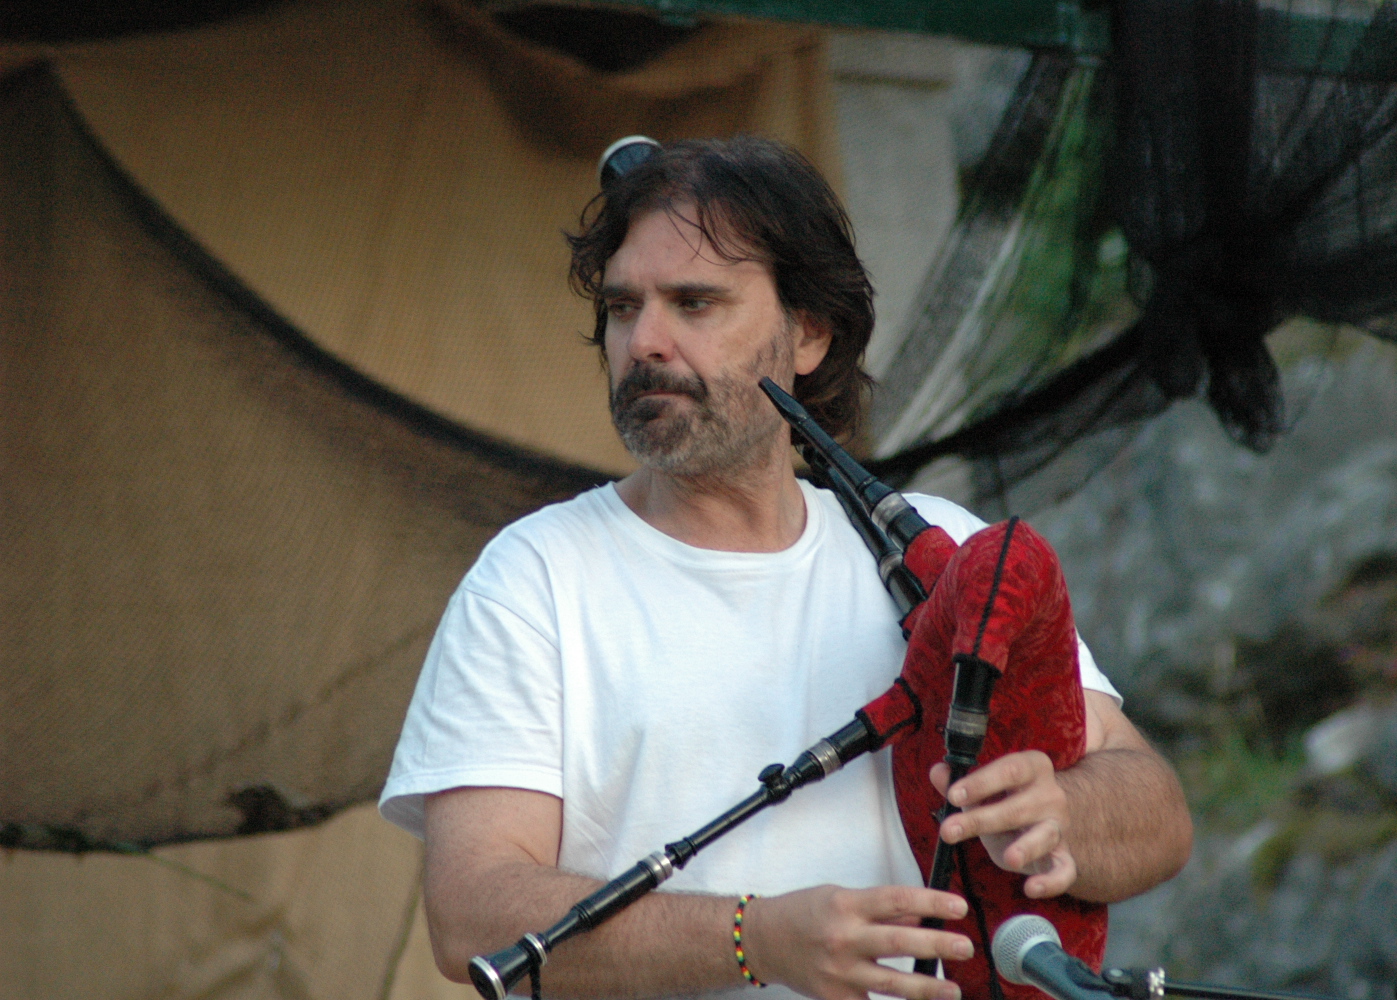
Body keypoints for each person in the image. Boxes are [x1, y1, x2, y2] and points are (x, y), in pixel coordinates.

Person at [378, 136, 1192, 1000]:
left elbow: (1157, 812)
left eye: (694, 303)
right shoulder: (533, 580)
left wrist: (1064, 813)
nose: (644, 341)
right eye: (622, 308)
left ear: (808, 333)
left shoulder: (940, 548)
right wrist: (752, 937)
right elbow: (471, 913)